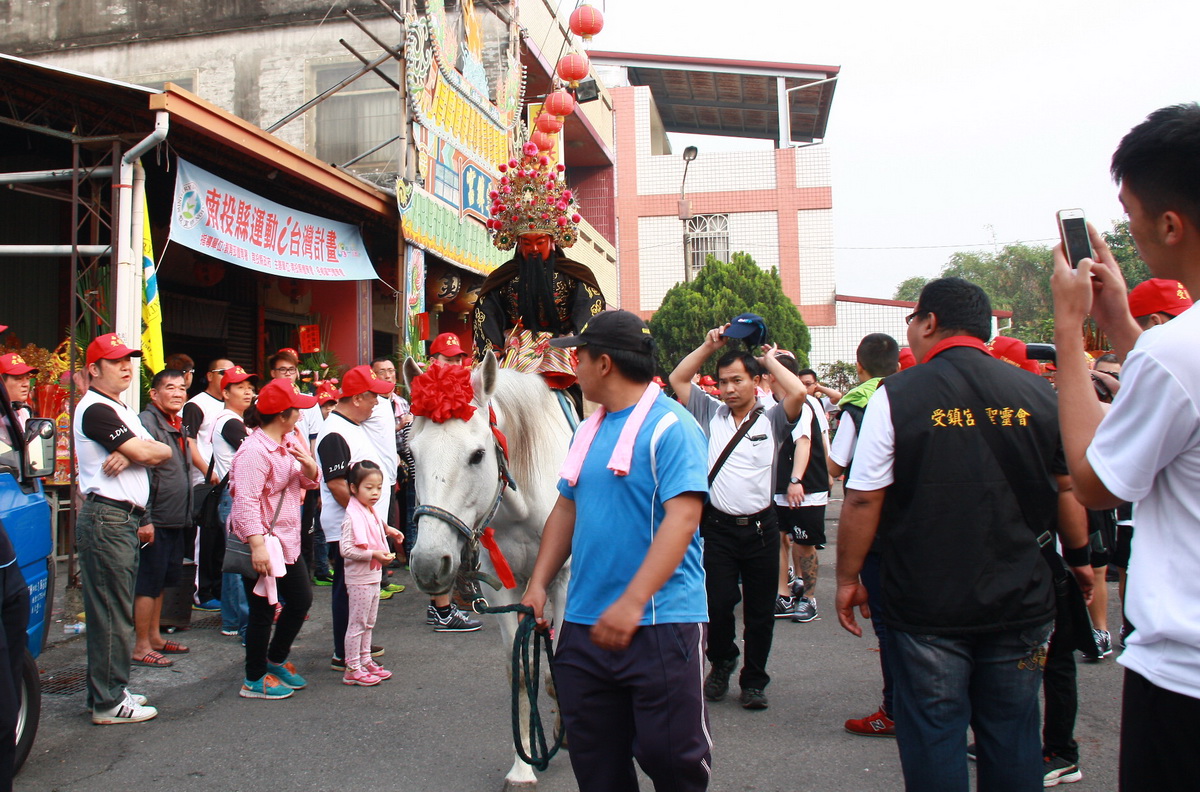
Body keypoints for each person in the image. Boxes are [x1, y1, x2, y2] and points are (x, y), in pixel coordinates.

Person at [835, 277, 1093, 790]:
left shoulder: (897, 395)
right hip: (1022, 596)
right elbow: (1066, 489)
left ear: (929, 322)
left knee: (933, 731)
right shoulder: (1037, 392)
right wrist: (1081, 558)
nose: (909, 330)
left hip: (928, 603)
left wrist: (848, 578)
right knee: (1014, 731)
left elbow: (863, 496)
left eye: (912, 319)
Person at [1048, 103, 1200, 791]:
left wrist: (1072, 334)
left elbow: (1094, 480)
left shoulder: (1177, 352)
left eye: (1132, 211)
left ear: (1171, 224)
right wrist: (1120, 327)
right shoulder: (1173, 351)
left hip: (1184, 681)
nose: (1129, 231)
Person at [521, 310, 712, 791]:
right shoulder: (589, 429)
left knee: (672, 759)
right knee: (596, 760)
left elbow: (684, 518)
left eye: (579, 355)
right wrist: (539, 582)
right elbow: (566, 509)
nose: (573, 364)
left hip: (659, 623)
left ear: (603, 363)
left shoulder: (673, 427)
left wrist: (631, 602)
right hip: (585, 626)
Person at [668, 321, 806, 711]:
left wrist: (768, 359)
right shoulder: (709, 412)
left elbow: (796, 390)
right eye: (724, 382)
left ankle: (754, 681)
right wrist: (709, 345)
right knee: (717, 604)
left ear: (755, 381)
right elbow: (679, 377)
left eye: (737, 381)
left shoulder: (774, 418)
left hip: (763, 529)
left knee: (761, 613)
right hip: (719, 531)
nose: (729, 389)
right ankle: (723, 660)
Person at [73, 333, 173, 724]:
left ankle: (108, 691)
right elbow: (148, 452)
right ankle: (108, 701)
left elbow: (164, 450)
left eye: (129, 359)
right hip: (108, 518)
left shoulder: (121, 410)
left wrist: (131, 452)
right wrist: (134, 452)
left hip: (122, 518)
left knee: (114, 609)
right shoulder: (96, 409)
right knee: (112, 612)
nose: (127, 366)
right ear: (94, 370)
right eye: (116, 362)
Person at [474, 142, 605, 389]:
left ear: (553, 241)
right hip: (515, 349)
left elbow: (589, 310)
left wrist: (577, 343)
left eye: (540, 242)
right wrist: (494, 350)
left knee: (583, 392)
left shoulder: (576, 276)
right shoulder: (503, 278)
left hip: (562, 348)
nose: (534, 248)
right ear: (518, 243)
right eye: (526, 242)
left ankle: (584, 424)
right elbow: (486, 311)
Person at [825, 332, 901, 738]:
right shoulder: (913, 393)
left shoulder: (857, 405)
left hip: (875, 528)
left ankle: (894, 709)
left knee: (888, 625)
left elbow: (837, 467)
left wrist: (846, 577)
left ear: (860, 366)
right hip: (915, 525)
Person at [228, 378, 320, 700]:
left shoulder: (287, 441)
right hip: (264, 542)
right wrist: (256, 546)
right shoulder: (254, 451)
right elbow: (245, 502)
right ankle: (253, 678)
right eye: (297, 409)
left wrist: (310, 468)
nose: (301, 415)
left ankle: (275, 659)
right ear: (283, 415)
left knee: (299, 600)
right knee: (263, 611)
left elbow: (304, 484)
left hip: (286, 540)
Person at [316, 364, 398, 671]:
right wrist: (365, 518)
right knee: (348, 588)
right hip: (348, 528)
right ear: (359, 398)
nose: (377, 403)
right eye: (373, 397)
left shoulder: (351, 426)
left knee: (363, 589)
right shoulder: (334, 432)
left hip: (364, 524)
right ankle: (344, 651)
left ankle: (358, 643)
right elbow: (337, 484)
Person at [410, 350, 483, 632]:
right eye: (447, 359)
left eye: (457, 360)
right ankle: (441, 607)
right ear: (434, 360)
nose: (453, 365)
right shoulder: (425, 398)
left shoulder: (470, 391)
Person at [132, 369, 193, 668]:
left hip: (174, 517)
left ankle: (155, 637)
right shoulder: (147, 423)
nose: (178, 393)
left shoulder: (177, 423)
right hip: (155, 517)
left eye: (182, 387)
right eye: (170, 387)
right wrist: (145, 517)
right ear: (154, 394)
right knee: (148, 582)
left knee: (161, 582)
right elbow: (144, 471)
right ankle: (141, 644)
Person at [339, 461, 403, 686]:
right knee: (357, 623)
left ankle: (365, 659)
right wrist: (373, 554)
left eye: (378, 487)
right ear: (354, 488)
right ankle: (352, 667)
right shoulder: (352, 516)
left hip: (372, 576)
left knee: (368, 621)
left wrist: (388, 530)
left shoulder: (368, 510)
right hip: (359, 578)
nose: (375, 493)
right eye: (369, 488)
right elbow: (345, 549)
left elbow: (377, 524)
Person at [775, 366, 830, 625]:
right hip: (779, 486)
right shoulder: (769, 403)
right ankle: (783, 594)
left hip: (806, 487)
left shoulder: (802, 404)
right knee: (778, 538)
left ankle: (809, 598)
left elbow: (805, 441)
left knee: (804, 541)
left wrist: (796, 480)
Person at [209, 366, 258, 641]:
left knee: (236, 561)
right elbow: (254, 455)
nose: (248, 391)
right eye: (240, 387)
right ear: (225, 392)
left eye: (250, 386)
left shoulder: (236, 420)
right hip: (234, 496)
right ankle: (241, 622)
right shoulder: (229, 421)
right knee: (239, 562)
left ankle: (233, 619)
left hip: (234, 495)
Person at [183, 356, 234, 612]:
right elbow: (188, 441)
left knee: (218, 541)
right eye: (223, 371)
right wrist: (206, 470)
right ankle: (199, 593)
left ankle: (216, 589)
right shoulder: (196, 404)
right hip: (203, 483)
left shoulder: (227, 406)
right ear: (210, 375)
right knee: (203, 539)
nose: (228, 375)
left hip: (224, 485)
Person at [366, 356, 405, 600]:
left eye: (391, 371)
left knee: (385, 529)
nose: (389, 375)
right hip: (375, 478)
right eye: (383, 372)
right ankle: (374, 582)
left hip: (390, 477)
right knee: (374, 529)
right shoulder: (372, 403)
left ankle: (382, 577)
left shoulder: (391, 402)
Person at [0, 354, 36, 432]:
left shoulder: (23, 411)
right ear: (1, 382)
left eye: (27, 378)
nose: (26, 384)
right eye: (19, 379)